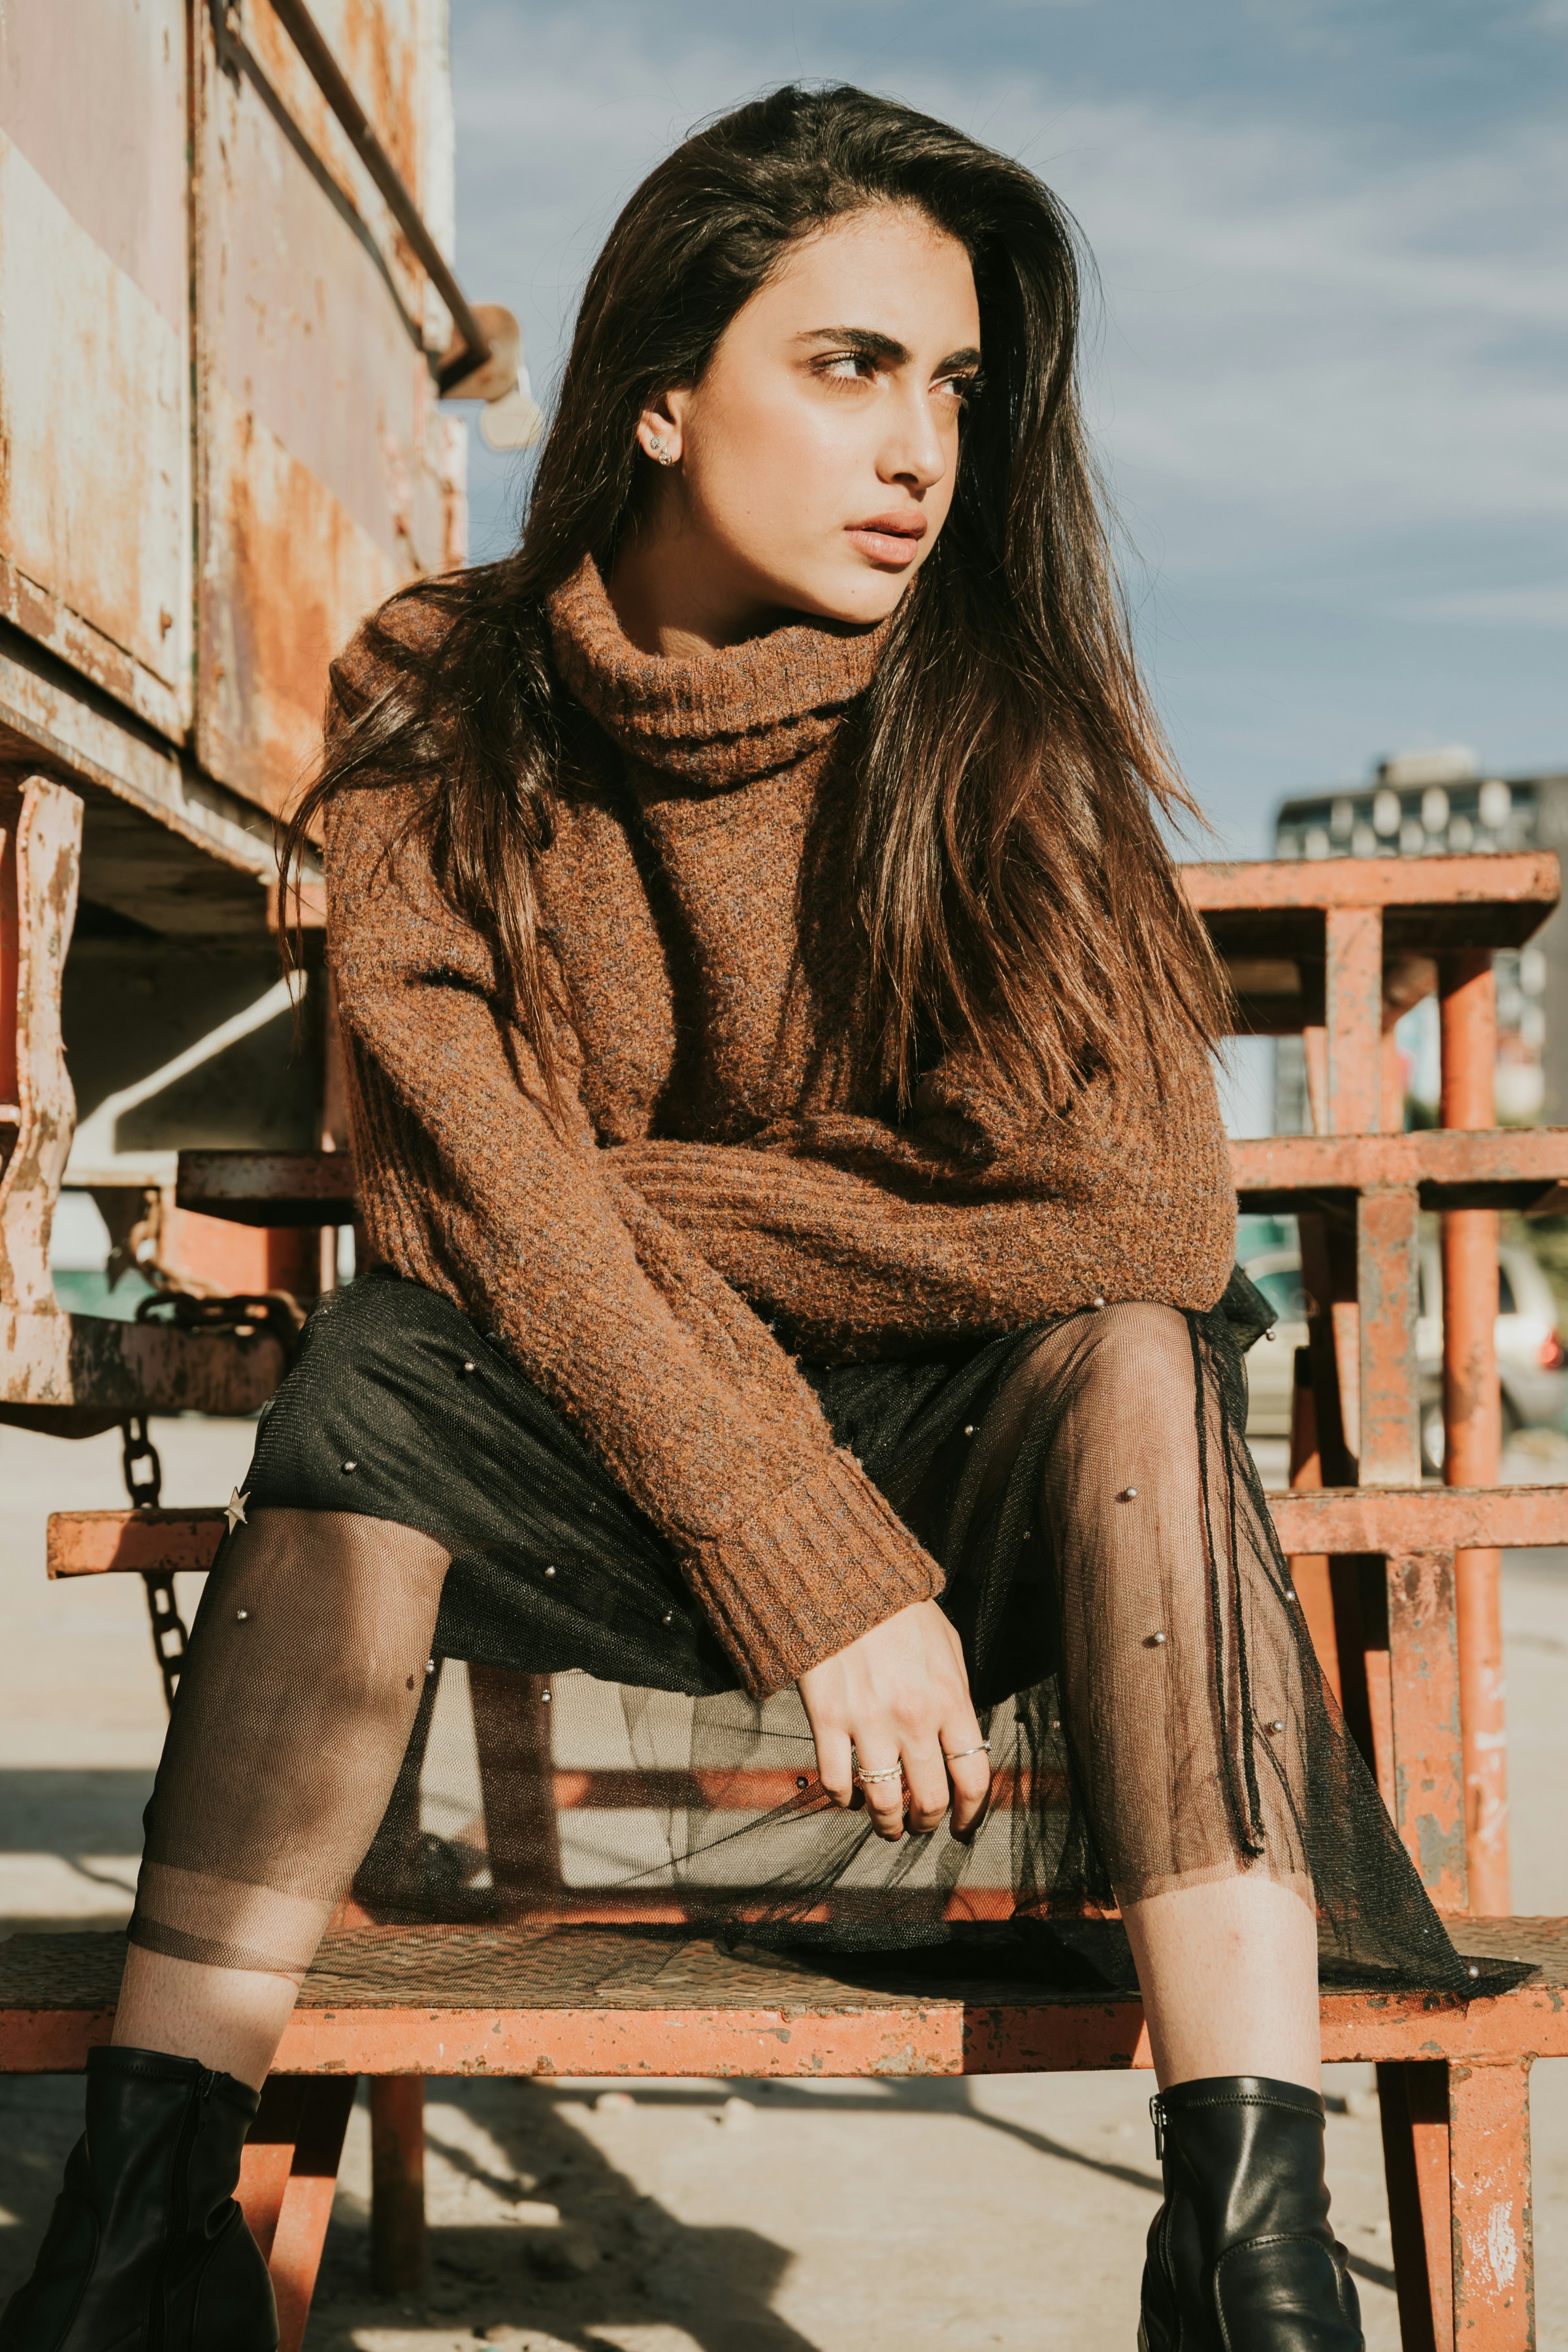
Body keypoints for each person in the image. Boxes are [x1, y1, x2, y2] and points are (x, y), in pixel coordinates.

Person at [7, 82, 1481, 2352]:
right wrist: (791, 1529)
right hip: (600, 1457)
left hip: (984, 1474)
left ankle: (1253, 2245)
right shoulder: (444, 695)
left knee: (1139, 1363)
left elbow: (1147, 1212)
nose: (921, 448)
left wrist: (638, 1205)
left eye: (957, 388)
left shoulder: (999, 720)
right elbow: (461, 1205)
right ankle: (138, 2215)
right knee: (381, 1373)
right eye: (851, 365)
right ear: (668, 397)